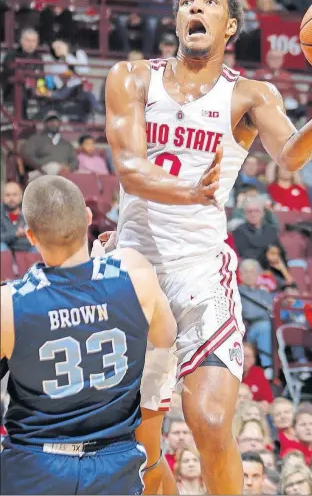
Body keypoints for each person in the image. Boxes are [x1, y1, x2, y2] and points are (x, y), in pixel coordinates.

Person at [104, 0, 312, 494]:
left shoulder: (249, 94)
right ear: (177, 21)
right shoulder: (131, 77)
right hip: (136, 274)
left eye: (210, 1)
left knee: (211, 424)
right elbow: (127, 167)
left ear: (229, 25)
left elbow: (292, 154)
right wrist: (191, 192)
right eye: (187, 0)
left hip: (201, 273)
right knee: (138, 450)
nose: (196, 6)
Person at [0, 175, 177, 495]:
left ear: (30, 236)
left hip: (36, 464)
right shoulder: (135, 274)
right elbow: (165, 338)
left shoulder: (9, 304)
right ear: (86, 217)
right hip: (114, 463)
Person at [238, 259, 273, 368]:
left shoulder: (263, 293)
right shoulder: (238, 292)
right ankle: (268, 367)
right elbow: (248, 313)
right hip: (248, 329)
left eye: (253, 272)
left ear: (258, 275)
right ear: (241, 275)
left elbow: (273, 310)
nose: (249, 275)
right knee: (265, 327)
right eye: (246, 272)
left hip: (270, 326)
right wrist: (265, 313)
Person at [20, 111, 78, 179]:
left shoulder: (67, 144)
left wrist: (68, 168)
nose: (53, 123)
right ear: (45, 123)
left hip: (63, 173)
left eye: (56, 121)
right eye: (50, 121)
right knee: (53, 167)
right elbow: (28, 157)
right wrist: (45, 164)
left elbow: (74, 161)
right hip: (40, 173)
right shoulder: (35, 139)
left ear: (59, 123)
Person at [1, 181, 36, 253]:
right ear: (2, 197)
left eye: (14, 195)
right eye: (7, 195)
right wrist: (16, 234)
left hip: (28, 247)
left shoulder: (30, 210)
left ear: (21, 196)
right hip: (5, 247)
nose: (11, 198)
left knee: (39, 249)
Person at [241, 341, 274, 407]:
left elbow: (268, 400)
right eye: (241, 356)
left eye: (247, 356)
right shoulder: (230, 373)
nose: (243, 359)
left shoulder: (258, 372)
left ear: (253, 359)